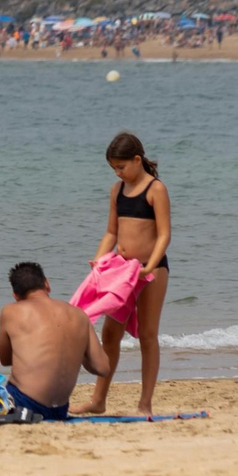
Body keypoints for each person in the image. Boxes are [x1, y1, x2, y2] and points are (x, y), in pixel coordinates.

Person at [74, 132, 170, 415]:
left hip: (151, 271)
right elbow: (111, 233)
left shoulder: (155, 189)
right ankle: (98, 400)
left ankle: (145, 403)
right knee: (110, 333)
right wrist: (99, 259)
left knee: (148, 335)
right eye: (114, 168)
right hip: (122, 271)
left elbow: (164, 234)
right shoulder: (117, 190)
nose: (118, 172)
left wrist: (150, 266)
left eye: (121, 167)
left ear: (137, 160)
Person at [0, 262, 111, 420]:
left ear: (16, 296)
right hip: (59, 409)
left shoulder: (11, 311)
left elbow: (6, 360)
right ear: (47, 283)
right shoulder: (79, 315)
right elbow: (102, 367)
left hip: (25, 404)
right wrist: (76, 350)